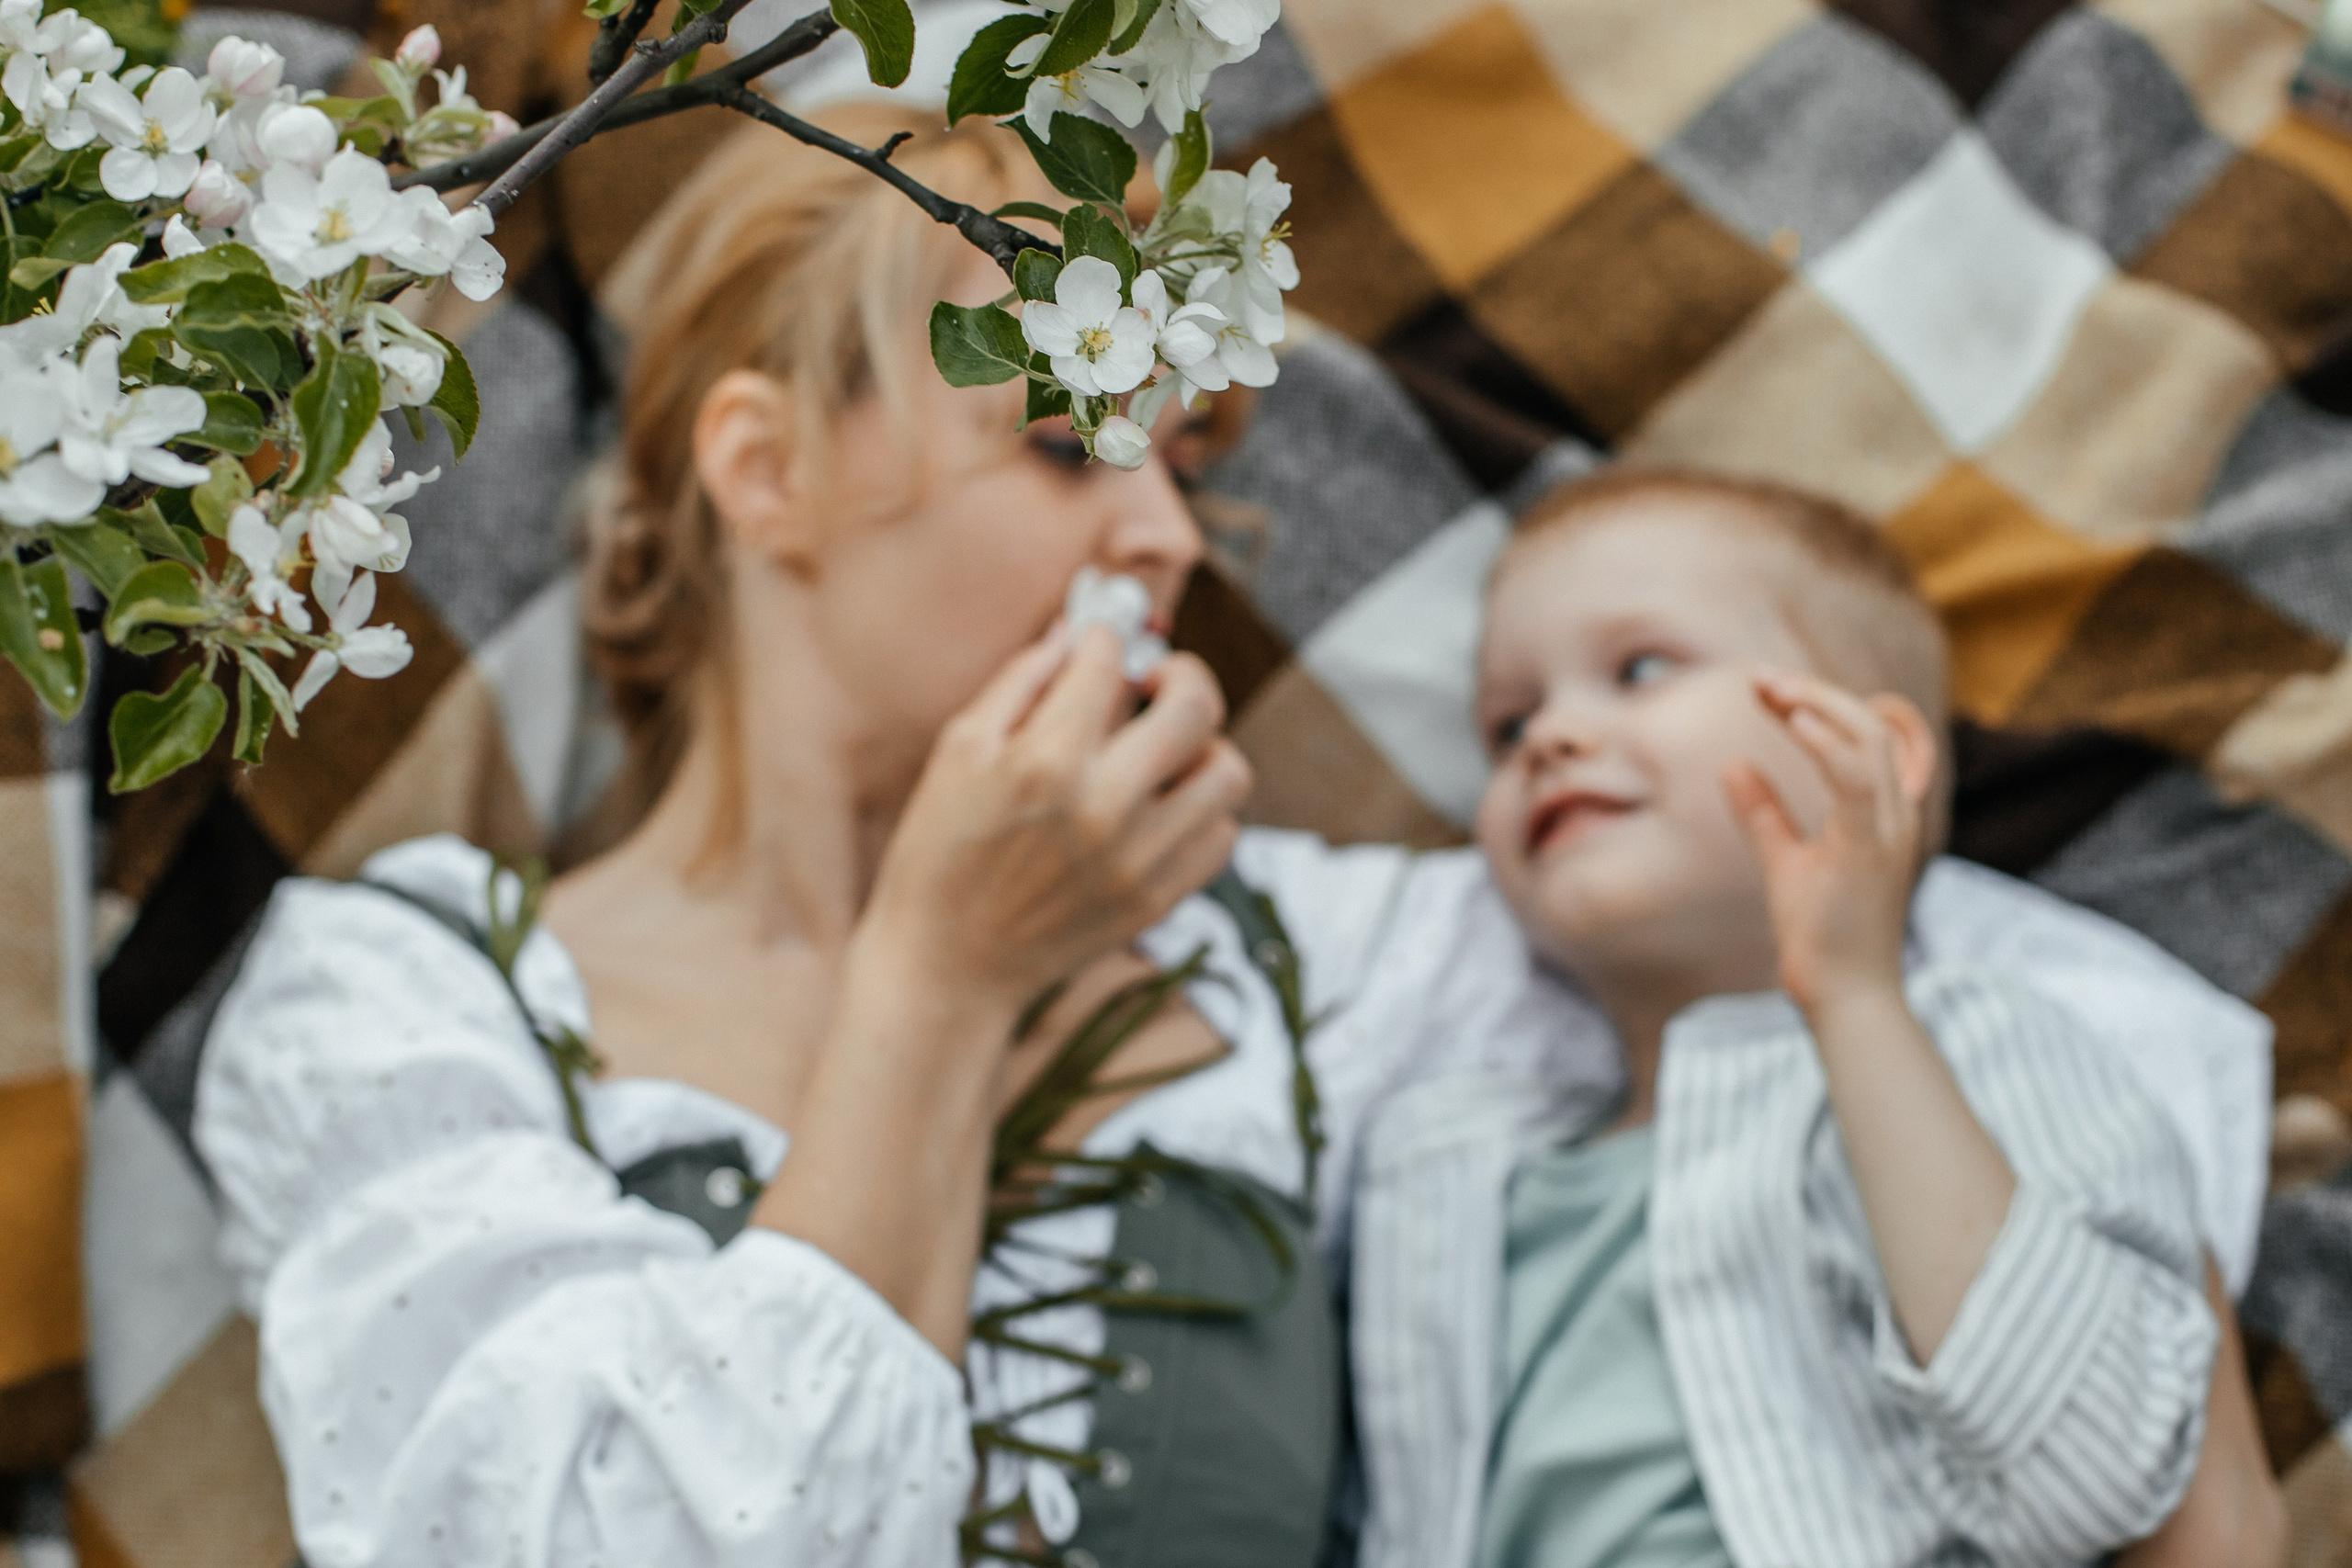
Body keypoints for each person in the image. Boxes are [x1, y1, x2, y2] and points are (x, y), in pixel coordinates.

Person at [193, 109, 2277, 1565]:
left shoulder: (1308, 960)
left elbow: (1934, 974)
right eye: (1070, 432)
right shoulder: (402, 996)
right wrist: (936, 977)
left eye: (1189, 461)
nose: (1165, 535)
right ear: (766, 469)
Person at [1344, 468, 2287, 1568]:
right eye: (1507, 727)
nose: (1549, 738)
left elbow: (2099, 1470)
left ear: (1865, 755)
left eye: (1639, 668)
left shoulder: (1991, 1047)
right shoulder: (1440, 1166)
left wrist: (1854, 997)